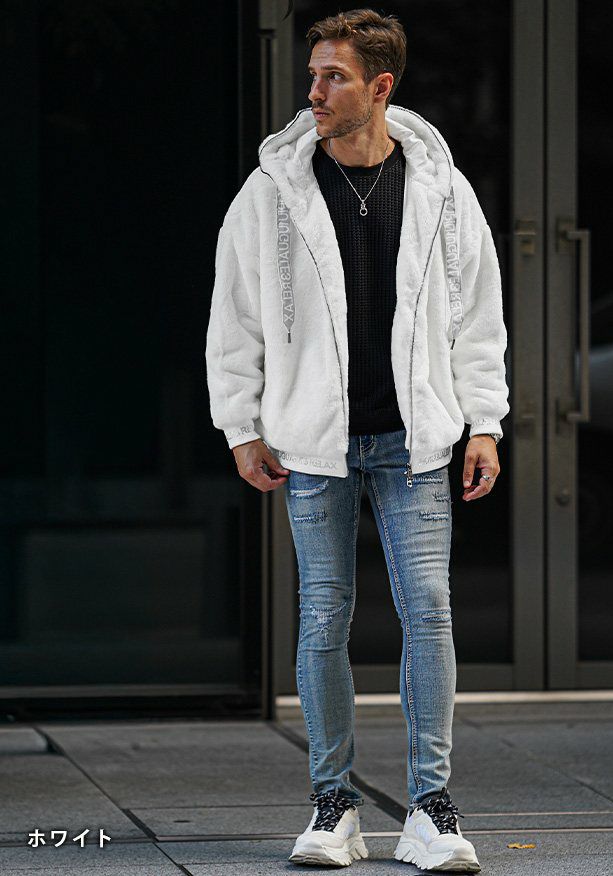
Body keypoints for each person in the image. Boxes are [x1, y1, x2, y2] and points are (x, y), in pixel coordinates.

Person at [205, 7, 509, 873]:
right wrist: (241, 426)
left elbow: (476, 314)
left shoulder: (440, 188)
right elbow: (235, 315)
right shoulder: (272, 191)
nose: (314, 92)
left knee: (430, 610)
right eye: (313, 75)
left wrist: (485, 421)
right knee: (324, 615)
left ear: (379, 87)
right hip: (313, 445)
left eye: (332, 77)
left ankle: (431, 808)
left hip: (415, 441)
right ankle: (333, 804)